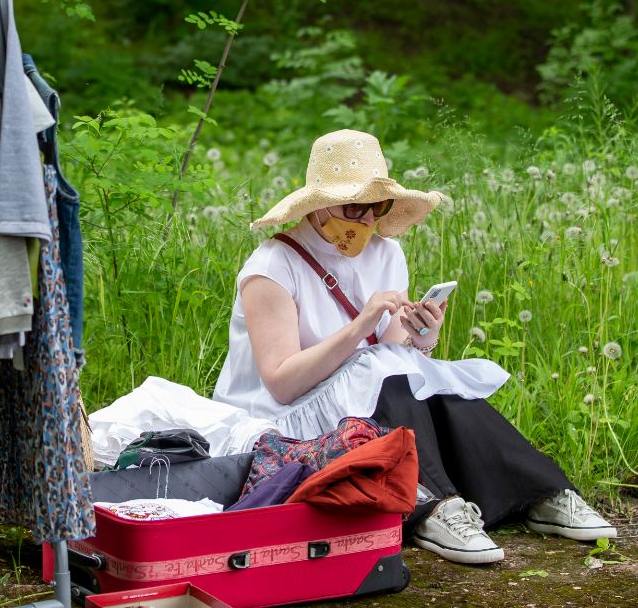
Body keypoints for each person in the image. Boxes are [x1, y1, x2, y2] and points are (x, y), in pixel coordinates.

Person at [213, 129, 615, 565]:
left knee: (436, 386)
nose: (367, 220)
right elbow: (281, 383)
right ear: (319, 206)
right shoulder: (273, 266)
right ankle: (433, 508)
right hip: (281, 418)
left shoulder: (387, 254)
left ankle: (541, 492)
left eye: (378, 207)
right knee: (390, 374)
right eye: (354, 206)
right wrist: (361, 323)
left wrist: (420, 335)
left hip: (363, 396)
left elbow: (387, 352)